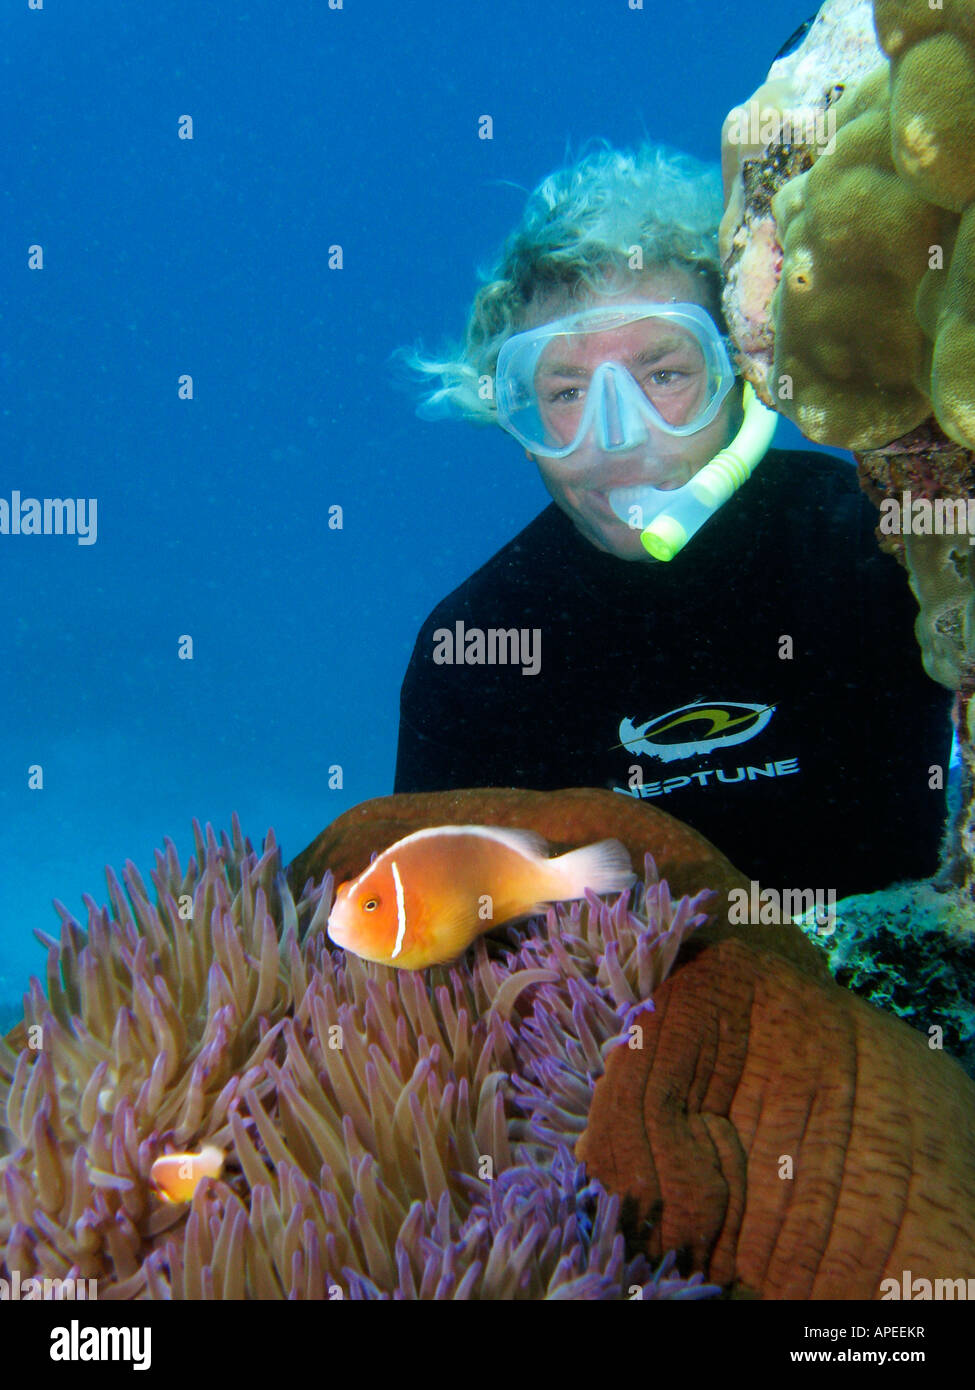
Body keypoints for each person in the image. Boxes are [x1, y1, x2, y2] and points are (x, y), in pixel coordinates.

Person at [393, 143, 952, 899]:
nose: (618, 437)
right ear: (511, 413)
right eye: (564, 393)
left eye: (664, 375)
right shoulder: (473, 652)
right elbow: (430, 920)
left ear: (742, 372)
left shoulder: (884, 544)